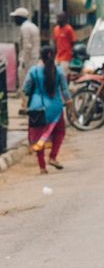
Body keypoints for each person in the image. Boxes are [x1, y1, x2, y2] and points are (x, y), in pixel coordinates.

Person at [23, 43, 71, 175]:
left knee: (39, 137)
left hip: (36, 107)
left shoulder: (33, 71)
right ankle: (53, 157)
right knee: (60, 131)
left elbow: (25, 88)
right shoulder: (59, 71)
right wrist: (69, 102)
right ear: (54, 56)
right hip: (55, 107)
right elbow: (65, 90)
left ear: (41, 56)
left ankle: (42, 167)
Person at [11, 7, 41, 102]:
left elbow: (27, 46)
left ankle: (27, 103)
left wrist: (23, 61)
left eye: (16, 17)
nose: (14, 20)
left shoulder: (25, 28)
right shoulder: (33, 26)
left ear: (20, 18)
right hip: (34, 59)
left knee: (25, 83)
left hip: (28, 61)